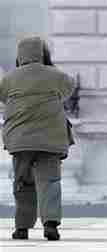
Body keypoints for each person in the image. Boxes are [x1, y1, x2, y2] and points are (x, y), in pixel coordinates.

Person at [0, 37, 75, 241]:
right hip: (50, 140)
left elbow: (3, 97)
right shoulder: (55, 75)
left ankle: (22, 228)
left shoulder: (9, 78)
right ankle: (50, 225)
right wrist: (50, 67)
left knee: (23, 183)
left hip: (20, 141)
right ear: (44, 54)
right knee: (50, 182)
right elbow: (69, 88)